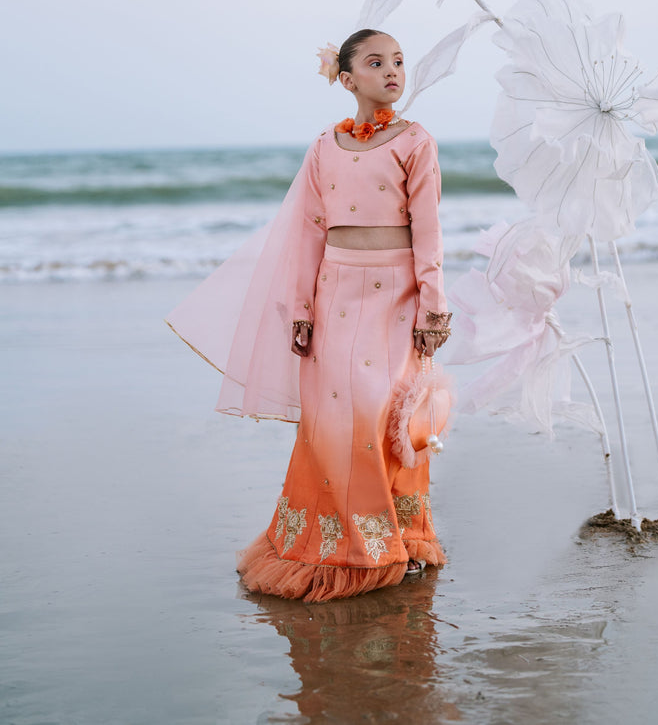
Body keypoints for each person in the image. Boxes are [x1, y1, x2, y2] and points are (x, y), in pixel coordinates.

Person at [167, 29, 452, 603]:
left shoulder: (415, 141)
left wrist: (433, 302)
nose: (393, 71)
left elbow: (429, 229)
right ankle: (343, 544)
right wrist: (301, 307)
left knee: (381, 417)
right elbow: (307, 232)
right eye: (376, 63)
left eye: (398, 61)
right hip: (334, 293)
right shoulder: (324, 145)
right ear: (347, 80)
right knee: (330, 421)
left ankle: (396, 535)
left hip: (395, 294)